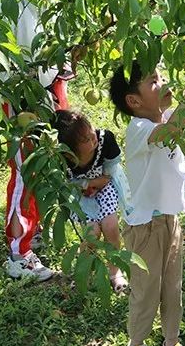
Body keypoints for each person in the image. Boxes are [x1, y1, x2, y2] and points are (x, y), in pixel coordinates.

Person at [109, 61, 185, 346]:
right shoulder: (139, 129)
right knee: (146, 289)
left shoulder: (165, 115)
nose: (164, 82)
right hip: (144, 226)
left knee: (172, 286)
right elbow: (174, 127)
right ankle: (137, 344)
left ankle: (171, 342)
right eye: (154, 81)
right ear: (134, 101)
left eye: (162, 76)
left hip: (169, 219)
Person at [2, 0, 73, 281]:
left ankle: (33, 227)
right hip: (24, 91)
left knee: (44, 163)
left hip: (46, 88)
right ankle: (19, 255)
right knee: (26, 170)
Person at [53, 109, 132, 292]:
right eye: (85, 140)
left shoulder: (105, 141)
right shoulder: (63, 160)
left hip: (106, 187)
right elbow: (65, 184)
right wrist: (86, 184)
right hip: (80, 195)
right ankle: (84, 274)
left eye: (91, 131)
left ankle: (115, 272)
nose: (92, 138)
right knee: (92, 233)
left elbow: (111, 173)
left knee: (111, 226)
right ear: (69, 152)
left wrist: (97, 183)